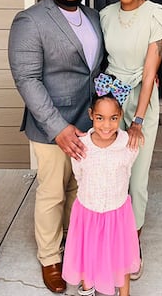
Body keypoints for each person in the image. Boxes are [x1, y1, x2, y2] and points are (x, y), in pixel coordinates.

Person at [8, 0, 105, 294]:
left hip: (89, 122)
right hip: (52, 126)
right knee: (52, 194)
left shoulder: (92, 16)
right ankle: (50, 258)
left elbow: (93, 69)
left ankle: (73, 246)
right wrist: (58, 127)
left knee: (78, 192)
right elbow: (27, 79)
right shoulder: (31, 20)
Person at [99, 0, 162, 280]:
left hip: (141, 102)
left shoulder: (157, 15)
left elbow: (149, 71)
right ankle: (109, 236)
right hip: (110, 102)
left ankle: (132, 244)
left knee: (137, 178)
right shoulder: (103, 15)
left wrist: (139, 119)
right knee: (111, 173)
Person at [62, 73, 141, 296]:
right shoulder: (81, 147)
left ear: (121, 116)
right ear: (91, 116)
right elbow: (79, 176)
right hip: (88, 213)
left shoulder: (129, 145)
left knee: (120, 257)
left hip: (117, 214)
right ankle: (88, 290)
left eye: (113, 118)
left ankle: (123, 293)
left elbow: (127, 172)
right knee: (90, 256)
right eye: (100, 118)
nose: (106, 125)